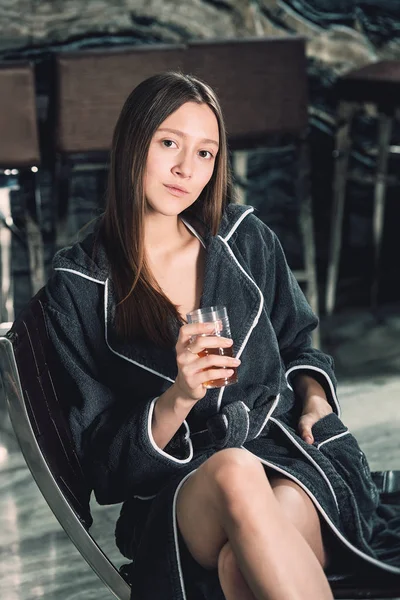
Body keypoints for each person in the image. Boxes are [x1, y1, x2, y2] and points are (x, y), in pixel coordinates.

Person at [44, 71, 400, 600]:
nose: (187, 169)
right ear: (132, 143)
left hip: (289, 460)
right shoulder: (79, 287)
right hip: (182, 490)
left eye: (206, 153)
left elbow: (300, 342)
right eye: (170, 144)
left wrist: (315, 400)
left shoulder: (243, 238)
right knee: (232, 469)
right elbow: (105, 467)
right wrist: (179, 396)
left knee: (238, 568)